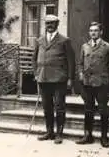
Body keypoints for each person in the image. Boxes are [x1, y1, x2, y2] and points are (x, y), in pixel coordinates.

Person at [32, 14, 76, 144]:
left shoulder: (64, 40)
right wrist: (36, 73)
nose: (49, 26)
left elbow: (71, 61)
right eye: (47, 23)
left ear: (57, 24)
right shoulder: (39, 40)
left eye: (52, 23)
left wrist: (70, 78)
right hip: (43, 78)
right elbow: (34, 59)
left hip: (59, 79)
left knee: (59, 107)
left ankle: (59, 134)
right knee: (47, 107)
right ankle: (49, 132)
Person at [76, 21, 109, 148]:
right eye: (91, 31)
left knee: (103, 110)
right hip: (87, 83)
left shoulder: (108, 47)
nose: (93, 33)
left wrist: (104, 77)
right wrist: (81, 74)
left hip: (101, 84)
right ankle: (88, 135)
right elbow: (80, 63)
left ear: (101, 32)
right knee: (88, 110)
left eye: (95, 30)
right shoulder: (85, 46)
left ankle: (104, 137)